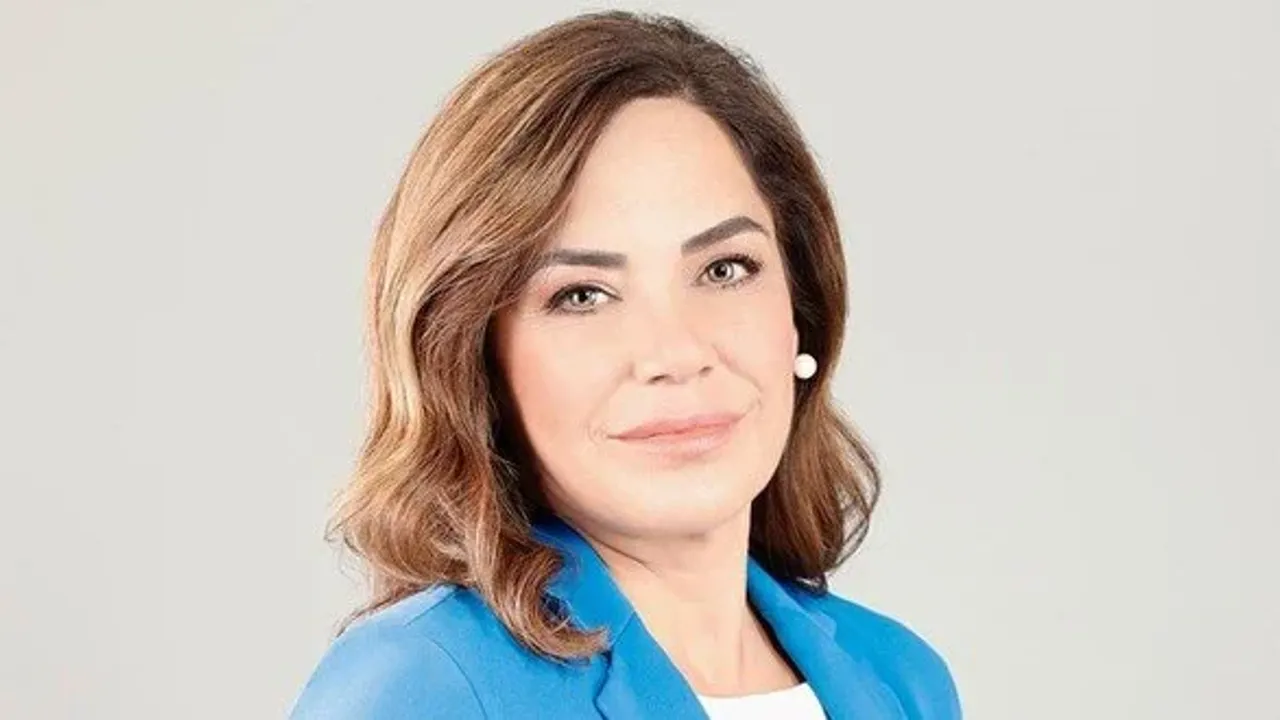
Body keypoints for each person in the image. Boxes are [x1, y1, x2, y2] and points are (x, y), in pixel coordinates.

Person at [289, 10, 961, 719]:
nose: (678, 353)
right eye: (582, 295)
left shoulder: (899, 678)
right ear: (476, 360)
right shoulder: (421, 684)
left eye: (725, 269)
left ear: (803, 307)